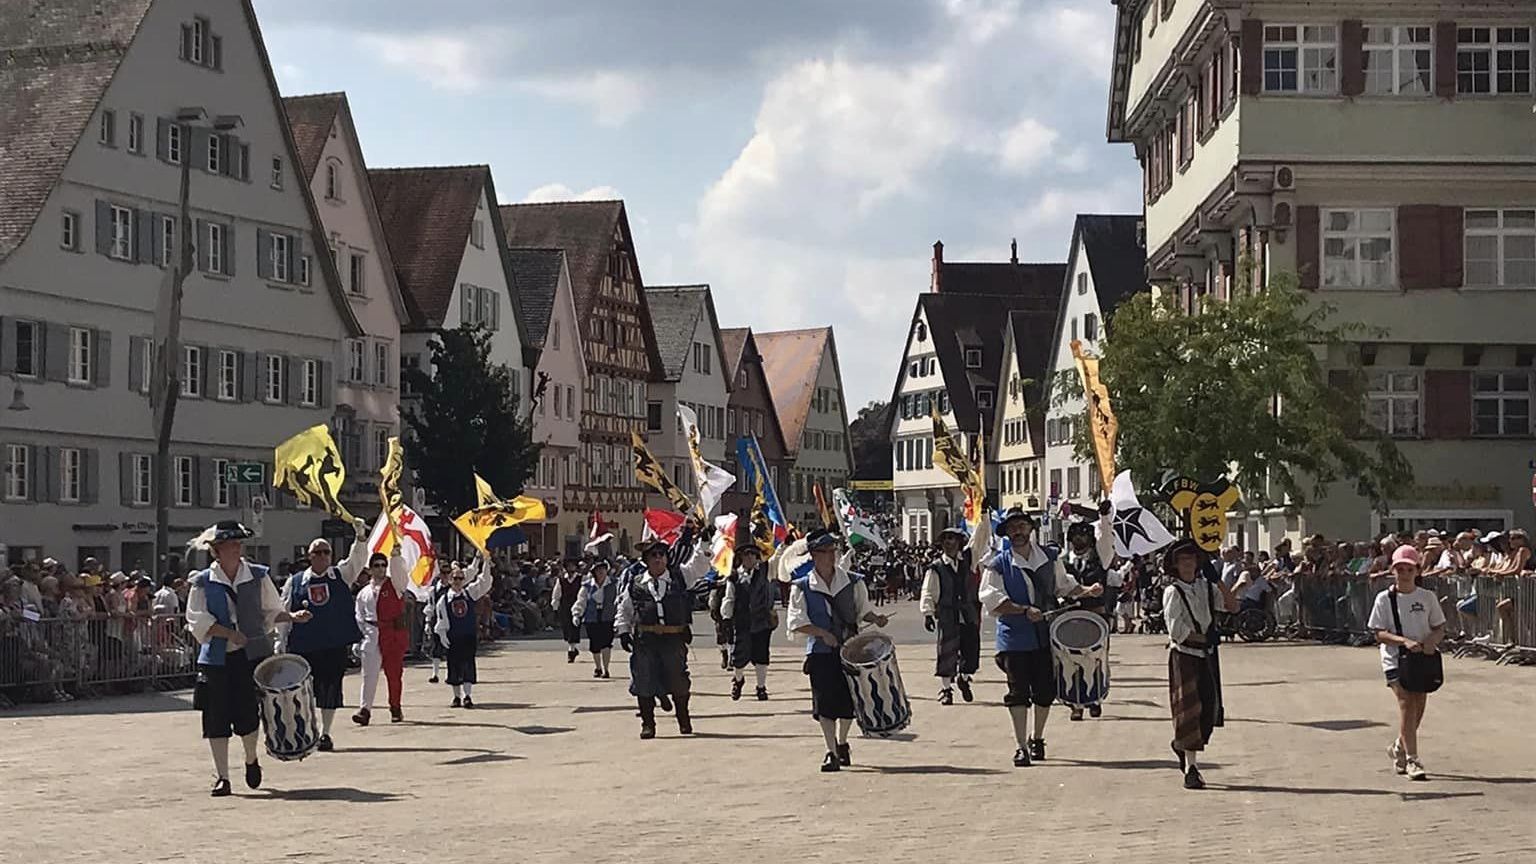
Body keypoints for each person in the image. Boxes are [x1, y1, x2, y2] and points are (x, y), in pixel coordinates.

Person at [185, 521, 312, 797]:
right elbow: (196, 620)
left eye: (239, 544)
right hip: (216, 660)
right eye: (231, 545)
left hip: (251, 657)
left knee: (248, 714)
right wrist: (228, 633)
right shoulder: (203, 582)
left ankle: (250, 758)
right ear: (217, 551)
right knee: (215, 718)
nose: (237, 549)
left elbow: (271, 610)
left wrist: (291, 616)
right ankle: (222, 777)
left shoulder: (257, 575)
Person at [979, 506, 1103, 768]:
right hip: (1014, 638)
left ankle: (1038, 738)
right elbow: (991, 600)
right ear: (1007, 533)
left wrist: (1087, 591)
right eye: (1012, 528)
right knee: (1018, 691)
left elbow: (1064, 586)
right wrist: (1023, 610)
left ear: (1031, 529)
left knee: (1045, 692)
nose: (1018, 532)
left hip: (1046, 637)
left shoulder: (1049, 557)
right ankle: (1021, 746)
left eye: (1022, 527)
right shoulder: (998, 564)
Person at [787, 528, 889, 772]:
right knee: (824, 705)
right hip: (820, 654)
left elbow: (863, 610)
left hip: (850, 650)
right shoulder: (801, 587)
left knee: (848, 702)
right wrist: (822, 634)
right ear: (813, 555)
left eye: (833, 550)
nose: (831, 556)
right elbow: (796, 622)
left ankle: (842, 742)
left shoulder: (853, 581)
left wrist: (876, 618)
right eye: (825, 551)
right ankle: (831, 751)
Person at [615, 526, 712, 739]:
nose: (658, 558)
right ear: (646, 560)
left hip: (673, 637)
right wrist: (623, 631)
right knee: (644, 679)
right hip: (645, 639)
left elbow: (700, 566)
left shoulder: (680, 577)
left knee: (678, 679)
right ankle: (648, 724)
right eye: (653, 555)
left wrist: (703, 543)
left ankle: (683, 717)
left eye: (661, 554)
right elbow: (625, 608)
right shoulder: (635, 583)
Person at [279, 524, 368, 751]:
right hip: (304, 645)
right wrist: (280, 643)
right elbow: (284, 612)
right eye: (317, 552)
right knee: (303, 692)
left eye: (325, 552)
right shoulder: (296, 581)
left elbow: (357, 559)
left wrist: (359, 536)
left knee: (330, 689)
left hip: (332, 643)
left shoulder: (340, 574)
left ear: (331, 556)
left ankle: (326, 734)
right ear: (309, 556)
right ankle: (309, 729)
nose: (321, 556)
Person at [1164, 538, 1237, 790]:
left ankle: (1180, 746)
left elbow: (1232, 606)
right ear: (1175, 565)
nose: (1187, 565)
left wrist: (1217, 580)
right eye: (1183, 561)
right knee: (1188, 713)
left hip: (1206, 655)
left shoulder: (1206, 587)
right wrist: (1203, 637)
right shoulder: (1173, 591)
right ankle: (1191, 769)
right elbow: (1177, 630)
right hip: (1184, 654)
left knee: (1210, 711)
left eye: (1192, 559)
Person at [1368, 545, 1445, 782]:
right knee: (1406, 704)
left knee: (1419, 704)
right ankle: (1413, 758)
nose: (1404, 573)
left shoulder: (1427, 597)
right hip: (1395, 658)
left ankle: (1399, 747)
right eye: (1399, 568)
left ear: (1417, 571)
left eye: (1408, 569)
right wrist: (1403, 641)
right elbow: (1378, 633)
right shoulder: (1385, 599)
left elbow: (1439, 626)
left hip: (1421, 659)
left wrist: (1432, 640)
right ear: (1393, 570)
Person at [1061, 503, 1116, 720]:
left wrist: (1103, 517)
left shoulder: (1100, 558)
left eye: (1083, 535)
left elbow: (1106, 540)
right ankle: (1076, 703)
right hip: (1071, 615)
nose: (1079, 539)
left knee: (1096, 657)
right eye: (1075, 535)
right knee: (1071, 658)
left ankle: (1095, 697)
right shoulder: (1063, 562)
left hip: (1095, 615)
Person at [919, 526, 980, 706]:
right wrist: (928, 613)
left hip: (968, 613)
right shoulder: (936, 568)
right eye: (945, 539)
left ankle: (964, 677)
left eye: (952, 538)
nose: (948, 542)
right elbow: (928, 591)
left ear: (959, 542)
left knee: (971, 651)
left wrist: (984, 515)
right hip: (947, 614)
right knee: (947, 652)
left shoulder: (969, 559)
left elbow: (980, 538)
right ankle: (946, 690)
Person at [353, 546, 409, 726]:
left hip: (391, 634)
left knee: (394, 674)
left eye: (383, 565)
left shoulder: (395, 585)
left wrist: (396, 558)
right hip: (371, 633)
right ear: (370, 569)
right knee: (369, 675)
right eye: (377, 565)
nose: (381, 568)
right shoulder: (364, 593)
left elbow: (401, 575)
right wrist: (359, 637)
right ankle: (365, 710)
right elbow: (359, 616)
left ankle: (395, 707)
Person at [723, 536, 777, 701]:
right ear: (740, 558)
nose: (749, 557)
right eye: (746, 555)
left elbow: (779, 558)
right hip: (742, 622)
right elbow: (729, 598)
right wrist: (726, 617)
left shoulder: (766, 571)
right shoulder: (733, 577)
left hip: (762, 621)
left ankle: (761, 687)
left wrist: (784, 544)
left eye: (752, 554)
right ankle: (738, 680)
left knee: (761, 656)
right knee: (739, 657)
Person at [434, 557, 491, 707]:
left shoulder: (469, 593)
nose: (458, 581)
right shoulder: (444, 599)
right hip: (453, 636)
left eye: (460, 578)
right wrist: (443, 635)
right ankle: (456, 696)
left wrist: (486, 562)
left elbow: (484, 583)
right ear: (450, 580)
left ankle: (467, 696)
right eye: (455, 578)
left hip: (468, 635)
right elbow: (441, 619)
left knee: (468, 665)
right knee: (454, 666)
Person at [572, 558, 618, 678]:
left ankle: (606, 669)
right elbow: (581, 601)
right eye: (598, 570)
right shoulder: (587, 586)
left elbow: (620, 601)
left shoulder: (614, 584)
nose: (601, 572)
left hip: (608, 617)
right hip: (592, 617)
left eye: (603, 569)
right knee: (595, 644)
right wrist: (577, 614)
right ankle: (598, 667)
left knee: (607, 643)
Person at [551, 559, 584, 664]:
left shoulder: (581, 578)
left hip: (577, 604)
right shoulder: (561, 580)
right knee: (566, 628)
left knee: (574, 627)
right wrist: (555, 606)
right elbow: (557, 593)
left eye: (573, 566)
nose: (571, 568)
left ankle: (571, 651)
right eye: (569, 566)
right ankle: (573, 647)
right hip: (565, 606)